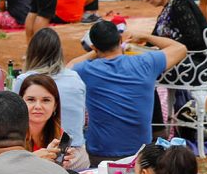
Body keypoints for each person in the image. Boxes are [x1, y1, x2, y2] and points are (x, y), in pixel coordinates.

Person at [70, 20, 186, 163]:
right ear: (120, 40)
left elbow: (69, 66)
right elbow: (180, 48)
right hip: (140, 154)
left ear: (94, 47)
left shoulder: (86, 70)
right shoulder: (145, 63)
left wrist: (95, 52)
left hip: (100, 154)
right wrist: (147, 37)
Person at [18, 73, 86, 170]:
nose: (38, 106)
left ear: (55, 106)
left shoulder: (58, 134)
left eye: (45, 100)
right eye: (31, 99)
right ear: (21, 102)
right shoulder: (7, 134)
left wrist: (59, 164)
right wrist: (32, 160)